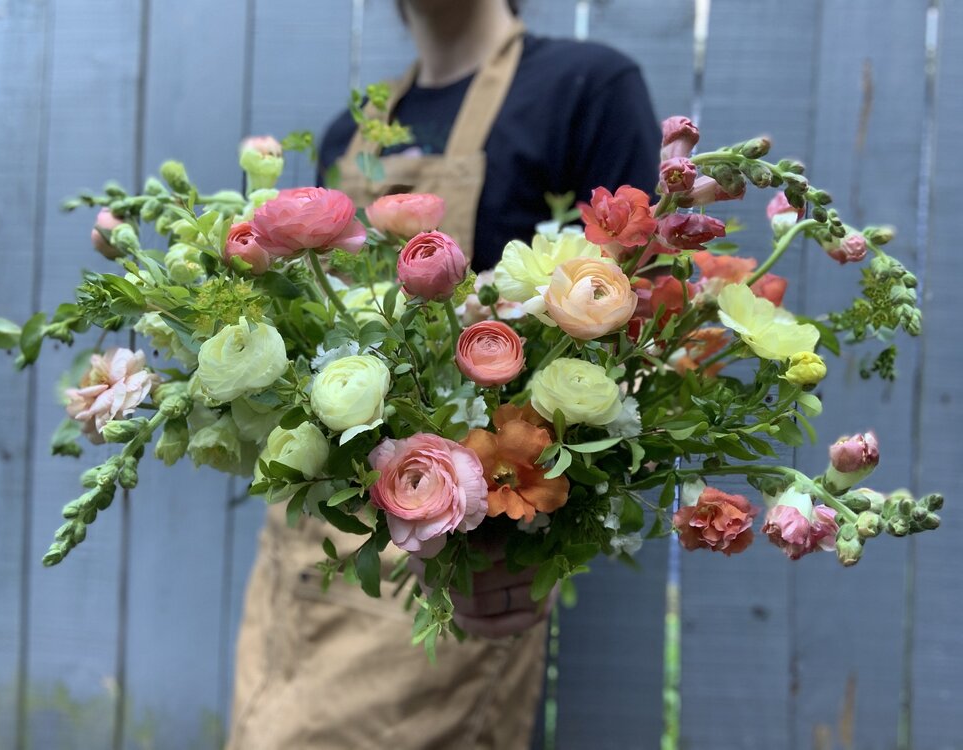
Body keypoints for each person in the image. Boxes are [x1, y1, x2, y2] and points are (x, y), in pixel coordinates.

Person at [227, 1, 660, 747]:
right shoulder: (351, 135)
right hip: (312, 550)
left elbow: (640, 347)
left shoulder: (582, 89)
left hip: (452, 565)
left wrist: (524, 549)